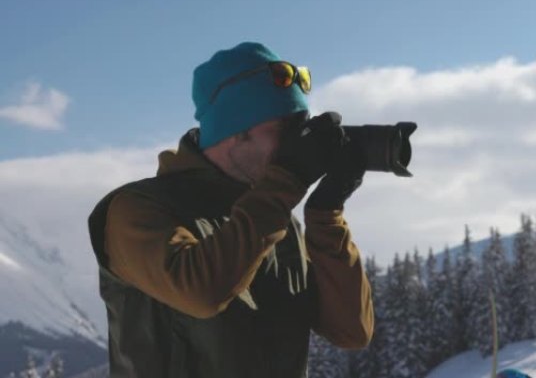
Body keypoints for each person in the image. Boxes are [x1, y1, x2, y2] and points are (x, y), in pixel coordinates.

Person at [88, 42, 374, 378]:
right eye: (287, 129)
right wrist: (285, 183)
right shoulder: (136, 210)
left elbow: (352, 331)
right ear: (237, 132)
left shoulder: (274, 221)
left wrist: (326, 216)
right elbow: (200, 291)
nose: (296, 145)